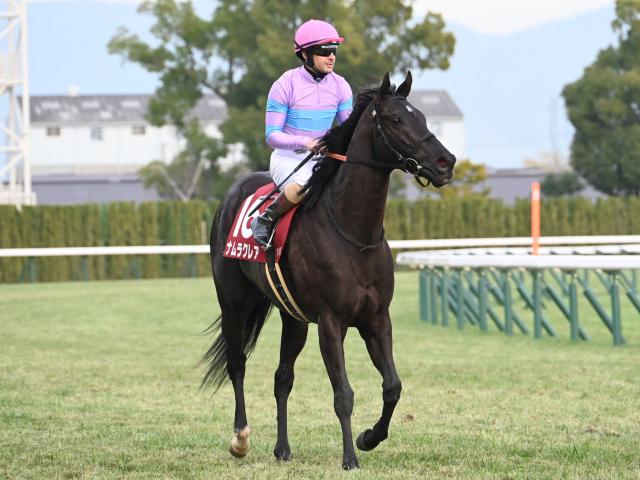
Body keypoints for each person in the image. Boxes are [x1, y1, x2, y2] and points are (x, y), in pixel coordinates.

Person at [251, 19, 353, 249]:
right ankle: (265, 220)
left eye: (334, 51)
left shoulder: (341, 86)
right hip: (288, 159)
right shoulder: (284, 85)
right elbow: (272, 136)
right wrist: (305, 142)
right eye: (324, 51)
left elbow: (349, 129)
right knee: (306, 184)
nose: (332, 57)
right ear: (305, 54)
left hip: (323, 159)